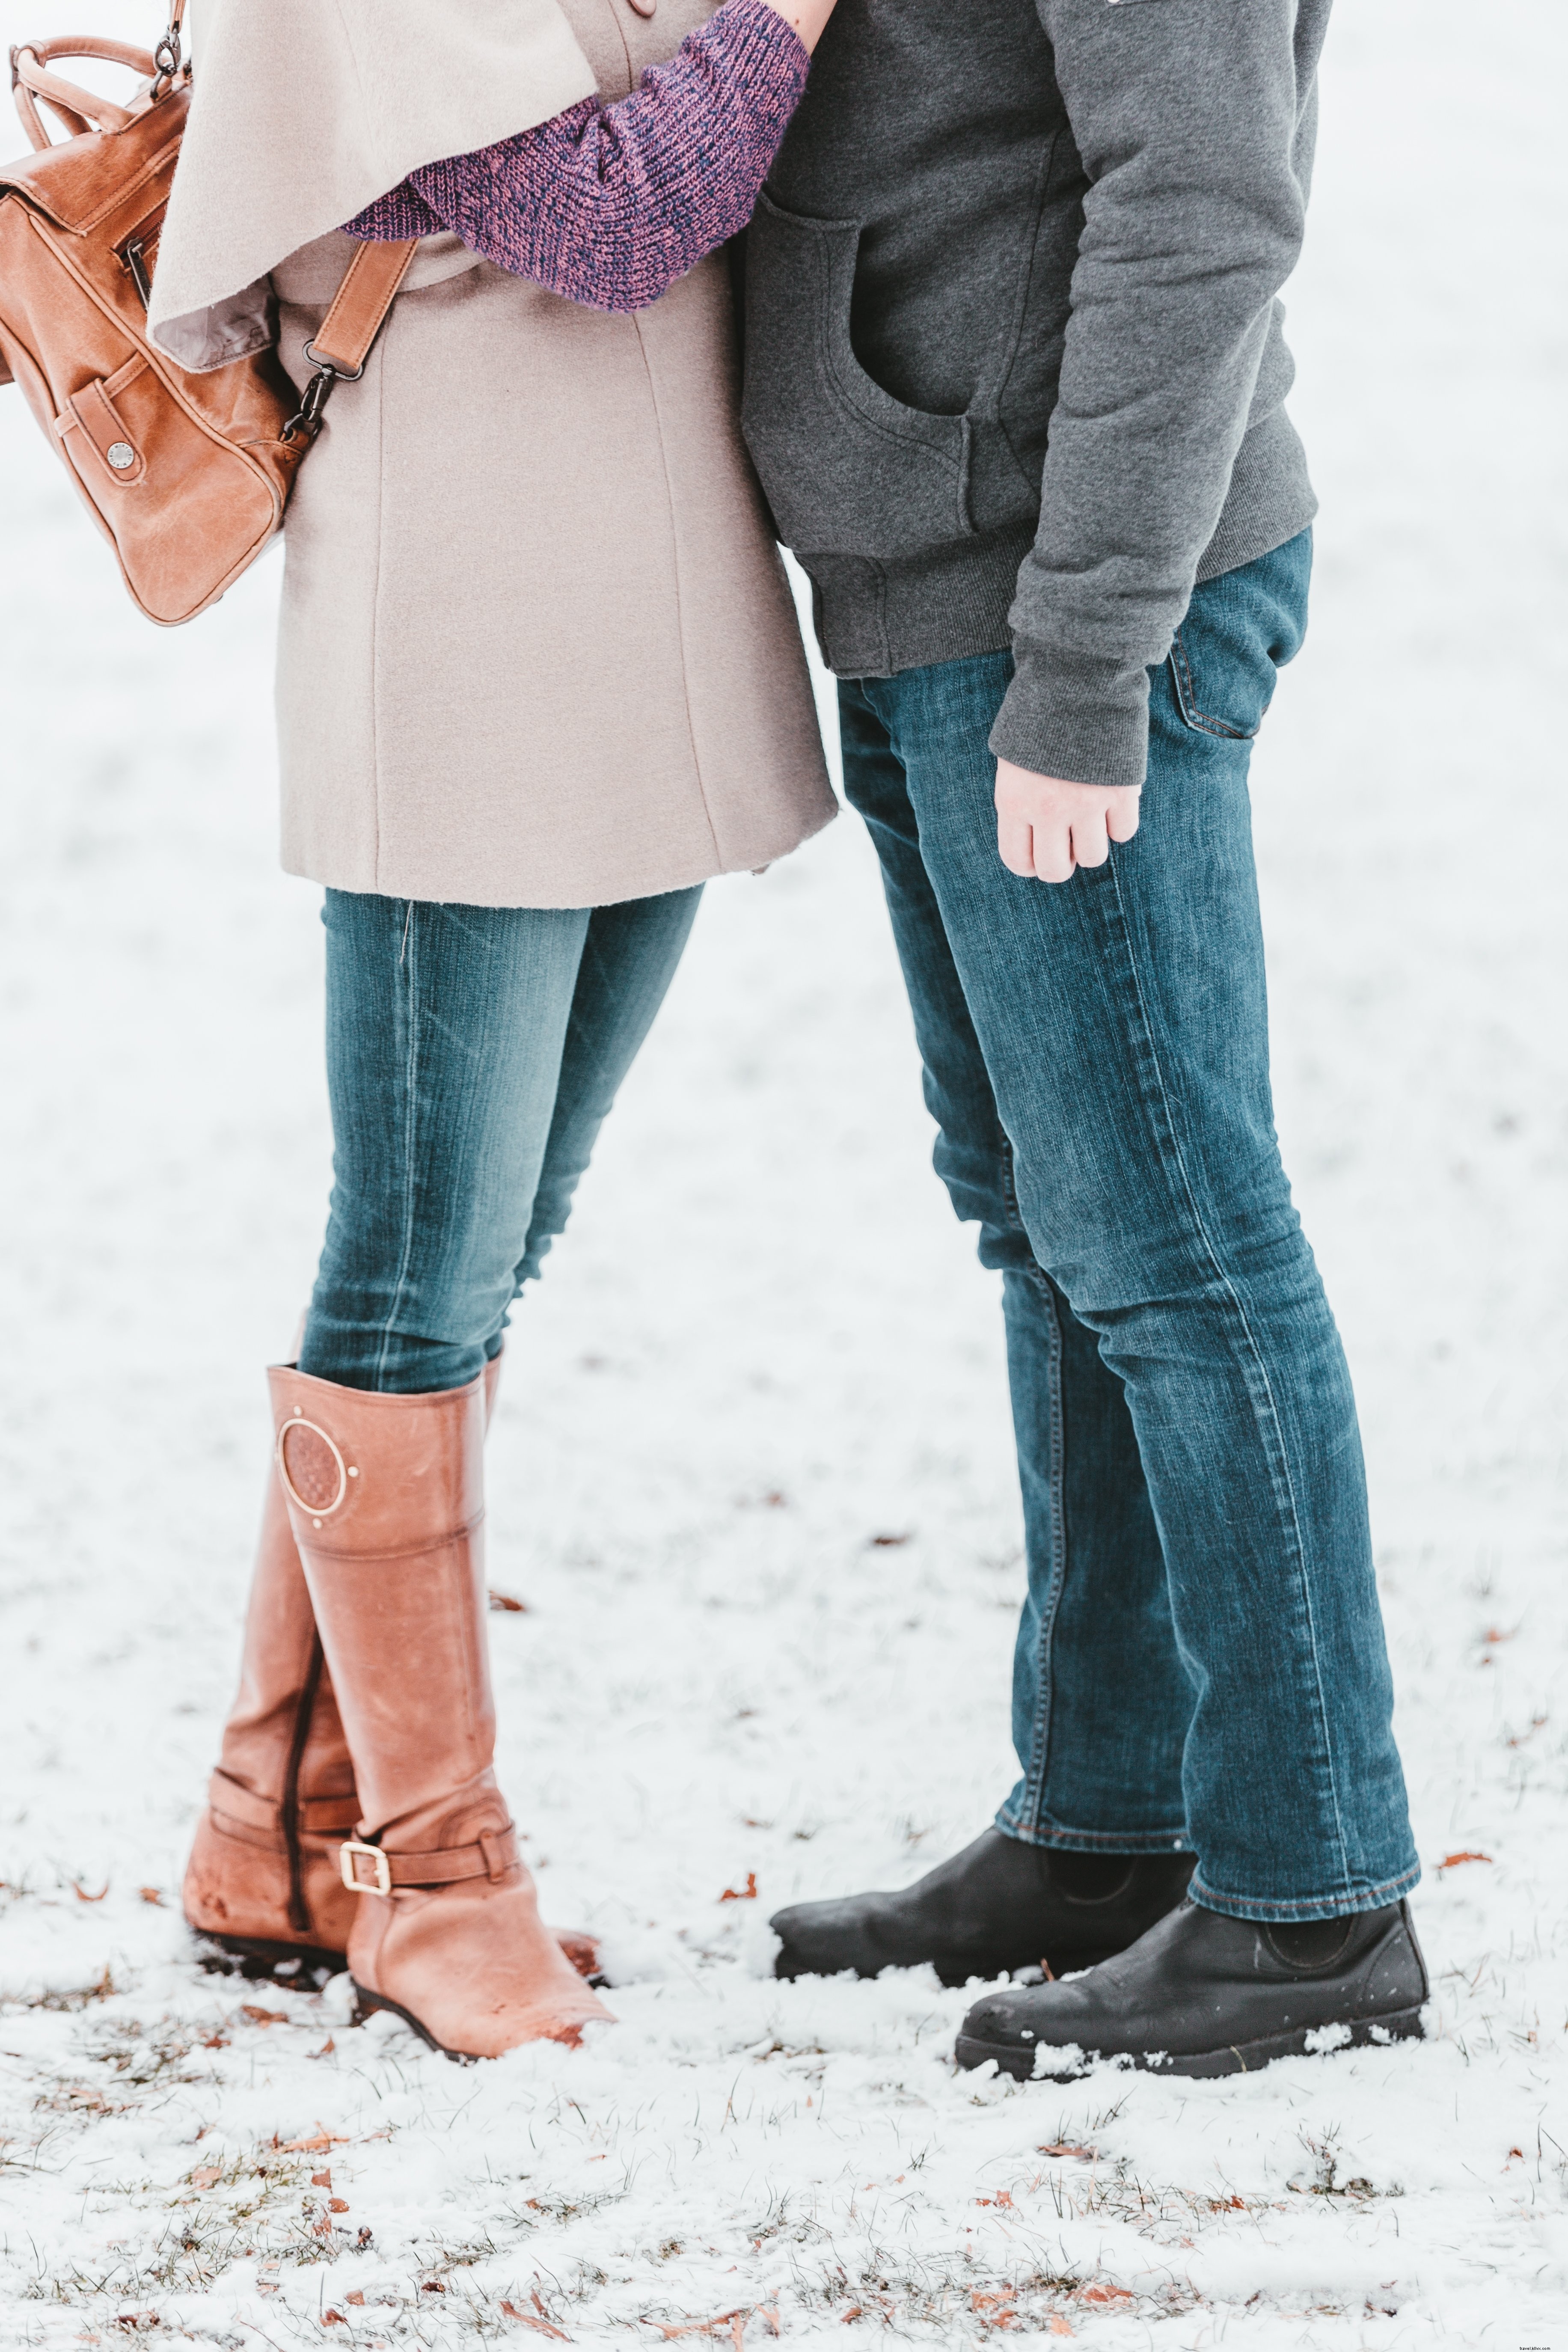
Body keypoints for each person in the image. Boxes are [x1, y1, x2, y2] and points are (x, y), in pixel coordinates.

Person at [738, 0, 1429, 2078]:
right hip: (927, 567)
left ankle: (1312, 1906)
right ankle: (1109, 1820)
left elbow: (1207, 200)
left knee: (1174, 1245)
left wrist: (1083, 663)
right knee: (1053, 1223)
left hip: (1058, 593)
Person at [148, 0, 839, 2063]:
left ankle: (272, 1830)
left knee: (495, 1232)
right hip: (467, 615)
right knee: (425, 1251)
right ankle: (430, 1876)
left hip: (638, 601)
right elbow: (621, 211)